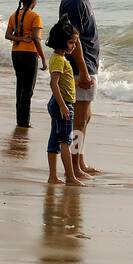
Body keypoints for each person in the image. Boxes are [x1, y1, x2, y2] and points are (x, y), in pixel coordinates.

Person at [60, 0, 104, 175]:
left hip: (85, 65)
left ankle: (80, 161)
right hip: (80, 68)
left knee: (85, 118)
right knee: (79, 120)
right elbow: (73, 39)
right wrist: (84, 72)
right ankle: (75, 166)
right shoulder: (75, 1)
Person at [45, 18, 86, 187]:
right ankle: (70, 177)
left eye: (75, 42)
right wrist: (63, 105)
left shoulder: (60, 58)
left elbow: (63, 82)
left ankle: (53, 176)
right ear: (61, 41)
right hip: (62, 104)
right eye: (71, 42)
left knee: (55, 141)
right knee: (65, 142)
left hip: (60, 103)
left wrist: (76, 84)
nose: (74, 46)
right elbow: (53, 83)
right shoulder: (58, 60)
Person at [5, 0, 46, 128]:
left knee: (20, 87)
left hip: (16, 53)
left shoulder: (13, 15)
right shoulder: (35, 16)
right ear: (34, 2)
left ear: (22, 1)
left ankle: (20, 120)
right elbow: (35, 38)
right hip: (29, 54)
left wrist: (20, 38)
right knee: (28, 89)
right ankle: (25, 122)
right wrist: (43, 57)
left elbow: (8, 35)